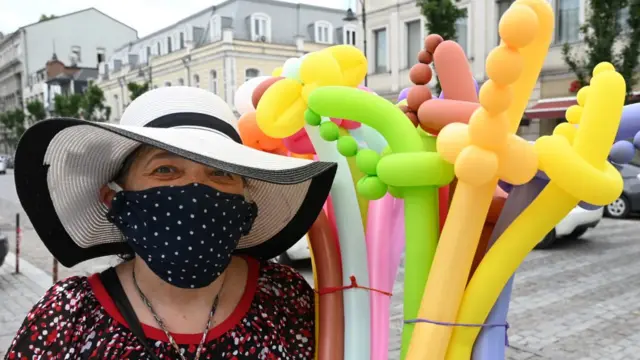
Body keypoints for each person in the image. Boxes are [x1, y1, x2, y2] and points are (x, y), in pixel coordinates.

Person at [6, 87, 337, 359]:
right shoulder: (67, 317)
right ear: (115, 200)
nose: (195, 192)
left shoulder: (285, 297)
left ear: (246, 205)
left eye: (221, 172)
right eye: (164, 170)